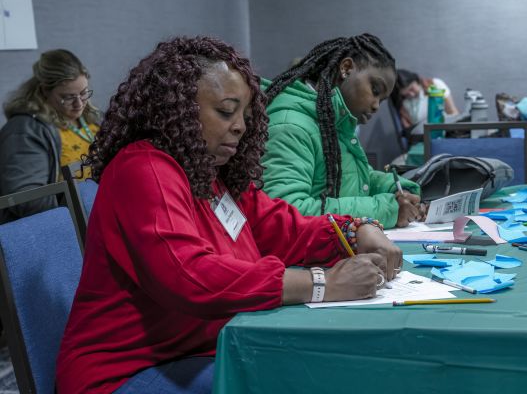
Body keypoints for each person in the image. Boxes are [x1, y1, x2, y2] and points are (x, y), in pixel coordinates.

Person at [55, 36, 403, 393]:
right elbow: (190, 275)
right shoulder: (143, 169)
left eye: (245, 116)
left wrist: (357, 230)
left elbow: (282, 227)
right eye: (226, 111)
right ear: (178, 108)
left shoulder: (212, 174)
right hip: (124, 372)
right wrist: (322, 284)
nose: (240, 126)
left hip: (200, 349)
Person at [261, 33, 424, 229]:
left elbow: (352, 177)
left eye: (382, 101)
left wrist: (396, 189)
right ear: (346, 68)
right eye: (375, 90)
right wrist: (388, 209)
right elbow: (286, 214)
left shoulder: (333, 121)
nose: (376, 107)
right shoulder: (291, 126)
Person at [0, 49, 101, 223]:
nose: (79, 104)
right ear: (44, 91)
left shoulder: (92, 119)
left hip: (96, 214)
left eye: (84, 93)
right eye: (68, 97)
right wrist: (81, 217)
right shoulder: (24, 131)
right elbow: (28, 199)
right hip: (67, 225)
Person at [390, 68, 459, 143]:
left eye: (411, 89)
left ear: (416, 81)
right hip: (423, 139)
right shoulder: (404, 104)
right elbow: (409, 131)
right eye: (406, 94)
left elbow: (453, 112)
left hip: (446, 132)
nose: (411, 94)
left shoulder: (435, 84)